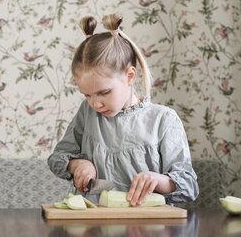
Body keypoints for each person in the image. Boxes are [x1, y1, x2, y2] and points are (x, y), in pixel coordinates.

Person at [47, 13, 199, 205]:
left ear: (130, 76)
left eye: (104, 92)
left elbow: (189, 186)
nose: (95, 104)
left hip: (148, 228)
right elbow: (57, 158)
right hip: (94, 226)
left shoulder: (164, 120)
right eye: (87, 94)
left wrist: (159, 181)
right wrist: (77, 165)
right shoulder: (87, 113)